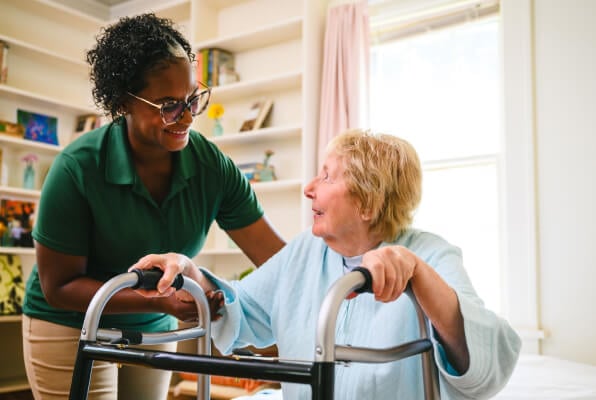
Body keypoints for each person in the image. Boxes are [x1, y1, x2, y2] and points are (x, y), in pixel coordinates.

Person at [133, 129, 522, 399]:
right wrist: (190, 272)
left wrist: (416, 272)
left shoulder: (431, 253)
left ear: (368, 203)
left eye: (327, 176)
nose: (308, 188)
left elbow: (487, 359)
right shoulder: (306, 251)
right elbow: (240, 307)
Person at [21, 13, 286, 400]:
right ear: (124, 101)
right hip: (69, 323)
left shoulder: (212, 168)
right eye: (168, 105)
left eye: (193, 98)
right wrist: (165, 298)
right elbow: (60, 287)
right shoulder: (77, 168)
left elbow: (277, 259)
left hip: (156, 325)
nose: (188, 116)